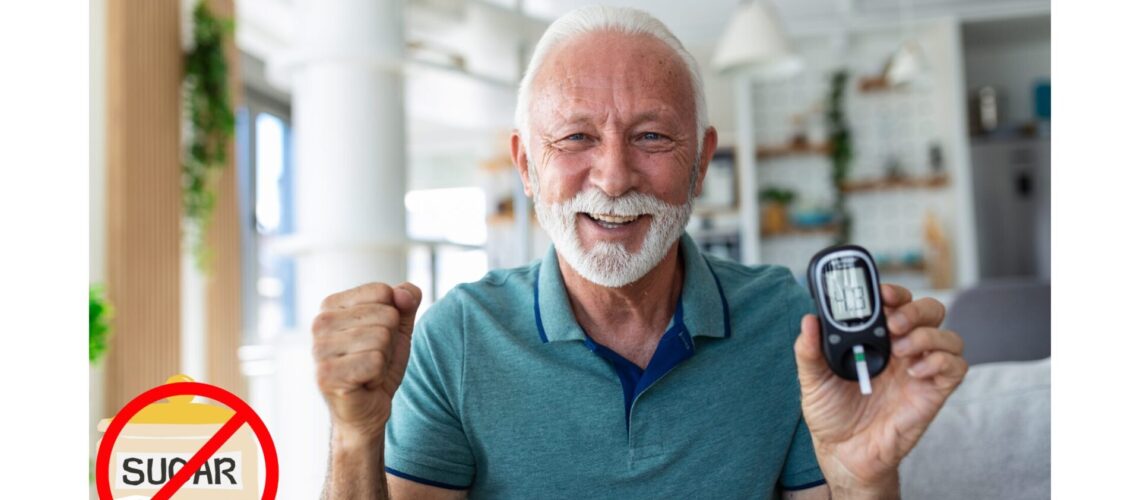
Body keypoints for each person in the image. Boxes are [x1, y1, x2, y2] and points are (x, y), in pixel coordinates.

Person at [311, 6, 967, 499]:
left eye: (652, 135)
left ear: (702, 163)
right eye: (574, 137)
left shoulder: (787, 326)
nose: (614, 176)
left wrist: (864, 480)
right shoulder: (456, 337)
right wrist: (356, 435)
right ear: (526, 165)